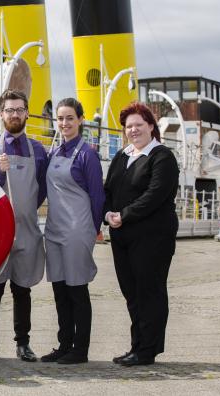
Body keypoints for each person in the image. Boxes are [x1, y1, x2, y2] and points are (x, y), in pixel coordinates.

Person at [104, 102, 179, 367]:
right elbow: (108, 190)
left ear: (150, 126)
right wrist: (107, 214)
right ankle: (137, 345)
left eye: (138, 125)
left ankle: (147, 350)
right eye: (128, 126)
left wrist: (124, 215)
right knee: (131, 292)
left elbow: (155, 195)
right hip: (122, 237)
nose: (133, 130)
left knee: (150, 290)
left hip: (152, 237)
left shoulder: (162, 157)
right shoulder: (122, 156)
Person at [0, 89, 48, 363]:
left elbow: (40, 189)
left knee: (22, 289)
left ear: (27, 113)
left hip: (26, 230)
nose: (14, 114)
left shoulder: (39, 150)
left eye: (19, 110)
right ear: (1, 114)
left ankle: (23, 343)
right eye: (9, 110)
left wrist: (25, 210)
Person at [41, 97, 105, 365]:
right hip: (54, 229)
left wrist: (96, 229)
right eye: (60, 118)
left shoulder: (87, 154)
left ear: (80, 120)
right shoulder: (55, 152)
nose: (64, 123)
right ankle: (64, 344)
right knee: (59, 290)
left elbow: (98, 195)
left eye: (69, 118)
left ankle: (81, 349)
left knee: (77, 290)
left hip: (78, 230)